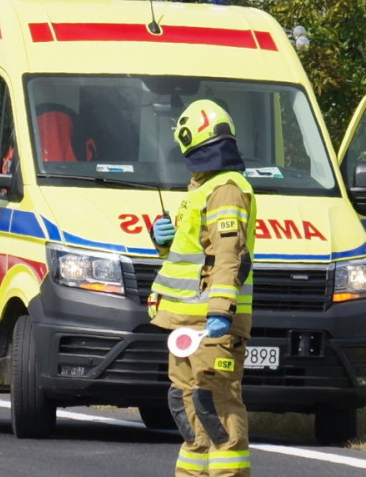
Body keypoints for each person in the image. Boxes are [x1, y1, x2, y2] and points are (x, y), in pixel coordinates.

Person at [148, 99, 256, 477]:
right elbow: (194, 253)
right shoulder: (200, 188)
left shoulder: (226, 189)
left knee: (216, 409)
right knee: (187, 409)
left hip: (211, 324)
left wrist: (220, 312)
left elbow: (229, 255)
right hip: (183, 323)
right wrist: (163, 240)